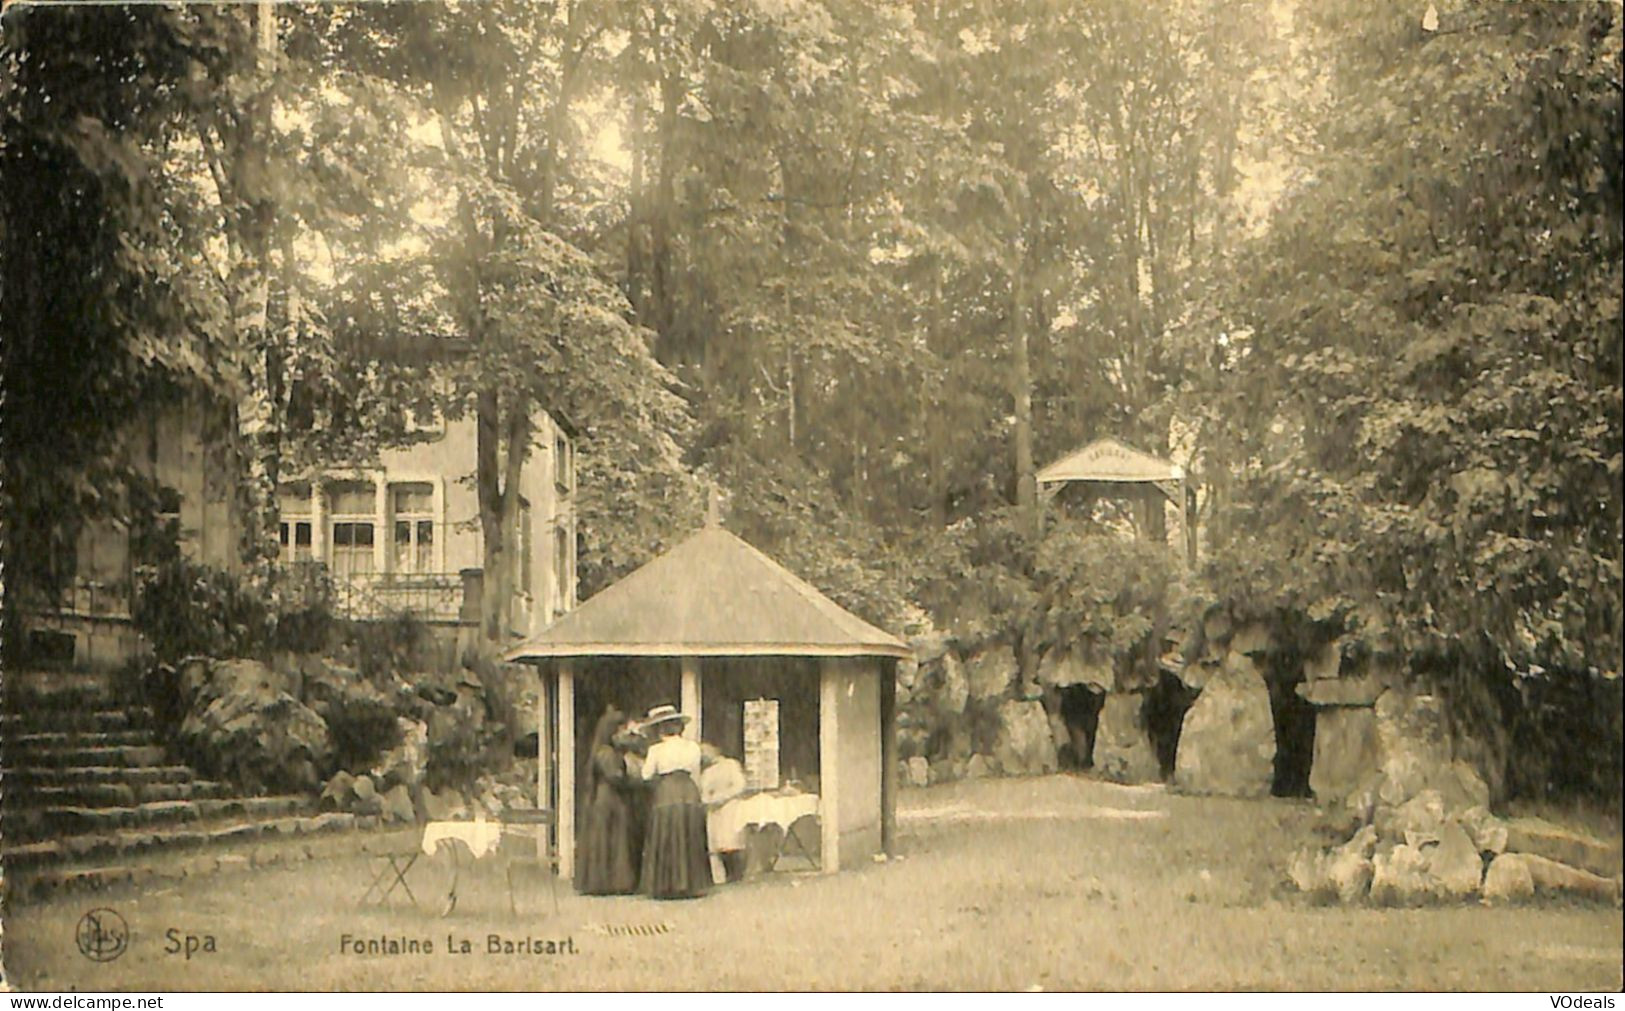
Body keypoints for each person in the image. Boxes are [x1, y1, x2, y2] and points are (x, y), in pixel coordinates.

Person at [637, 704, 712, 899]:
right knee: (689, 834)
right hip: (688, 791)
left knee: (667, 836)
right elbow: (695, 767)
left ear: (660, 729)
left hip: (667, 792)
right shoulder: (693, 747)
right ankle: (691, 884)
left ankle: (667, 884)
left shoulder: (656, 750)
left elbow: (646, 775)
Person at [575, 706, 641, 895]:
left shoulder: (611, 752)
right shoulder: (605, 753)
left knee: (613, 837)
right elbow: (615, 777)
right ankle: (608, 882)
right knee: (610, 838)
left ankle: (613, 882)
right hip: (609, 798)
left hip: (612, 797)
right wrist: (633, 779)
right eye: (620, 730)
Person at [700, 743, 748, 883]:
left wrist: (722, 797)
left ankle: (736, 874)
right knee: (717, 843)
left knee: (731, 841)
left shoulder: (730, 765)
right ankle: (723, 875)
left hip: (730, 807)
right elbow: (704, 793)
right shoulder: (707, 773)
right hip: (714, 810)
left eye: (705, 750)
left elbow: (740, 785)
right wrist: (709, 800)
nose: (704, 754)